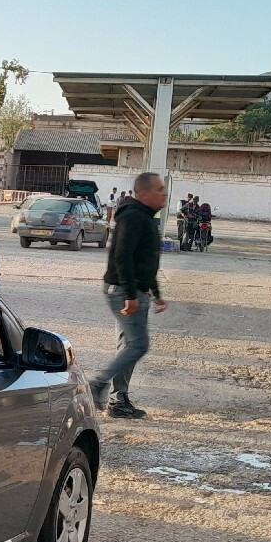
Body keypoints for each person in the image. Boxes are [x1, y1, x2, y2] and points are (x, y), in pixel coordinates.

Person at [89, 170, 168, 419]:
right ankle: (98, 383)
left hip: (132, 289)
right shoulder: (133, 217)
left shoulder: (143, 216)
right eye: (159, 190)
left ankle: (118, 400)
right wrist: (131, 295)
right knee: (138, 345)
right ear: (143, 193)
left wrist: (155, 293)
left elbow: (144, 260)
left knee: (127, 345)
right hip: (124, 290)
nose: (164, 194)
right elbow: (122, 256)